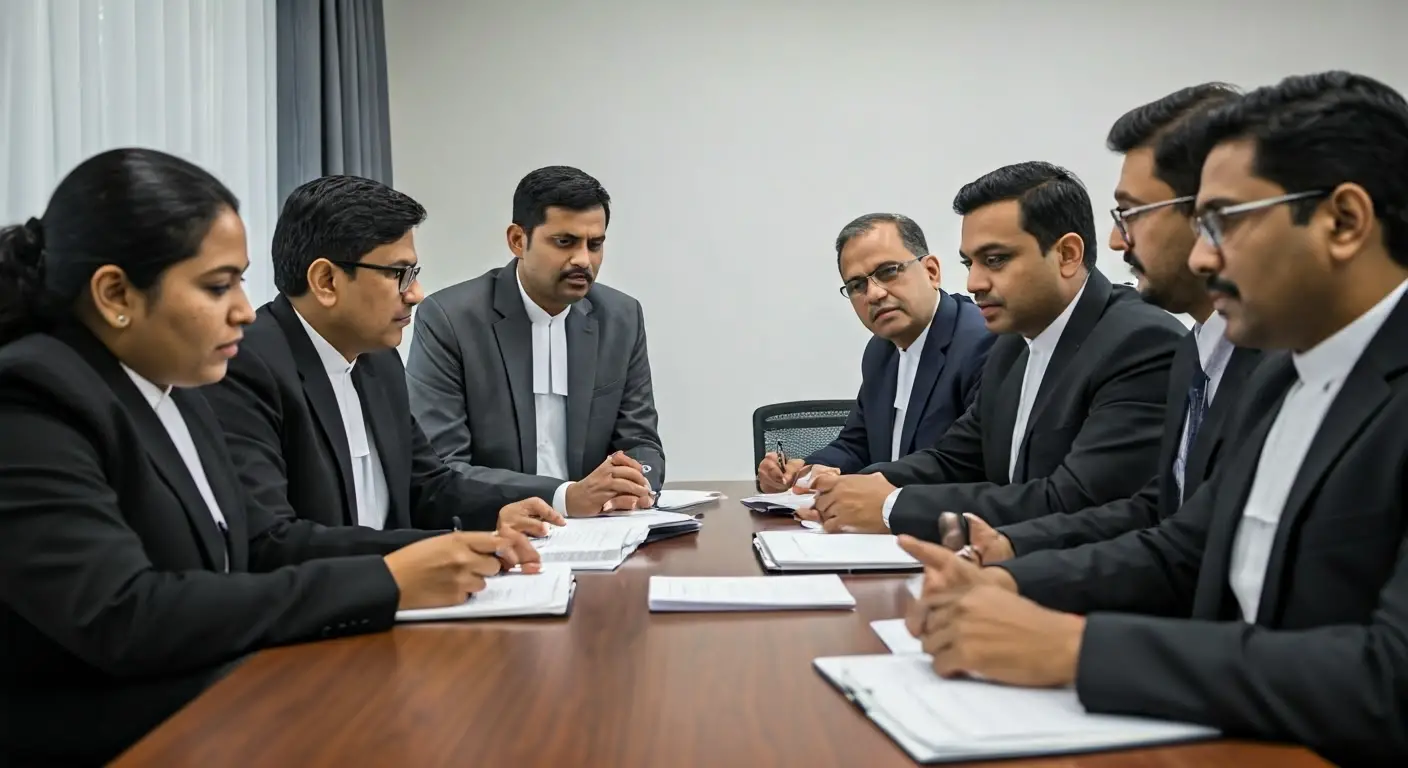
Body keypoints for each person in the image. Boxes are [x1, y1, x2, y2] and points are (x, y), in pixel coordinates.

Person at [899, 71, 1408, 766]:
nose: (1203, 255)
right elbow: (1185, 549)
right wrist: (1007, 582)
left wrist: (1074, 649)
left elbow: (1389, 678)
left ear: (1344, 222)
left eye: (1224, 221)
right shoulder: (1282, 374)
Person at [0, 148, 539, 764]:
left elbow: (255, 549)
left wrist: (439, 554)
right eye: (217, 286)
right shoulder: (31, 397)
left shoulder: (177, 385)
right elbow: (125, 616)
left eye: (240, 280)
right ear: (115, 292)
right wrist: (387, 581)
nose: (241, 308)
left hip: (222, 706)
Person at [960, 84, 1264, 562]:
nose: (1118, 241)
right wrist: (1010, 556)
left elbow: (1083, 500)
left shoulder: (1149, 342)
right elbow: (1167, 519)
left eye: (1132, 214)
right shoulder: (1196, 351)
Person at [805, 162, 1185, 535]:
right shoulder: (1012, 345)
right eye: (969, 263)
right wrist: (858, 486)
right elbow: (954, 458)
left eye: (995, 260)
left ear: (1067, 254)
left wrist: (891, 507)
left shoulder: (1139, 342)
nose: (973, 283)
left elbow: (1073, 500)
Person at [201, 175, 563, 534]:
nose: (416, 294)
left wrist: (519, 508)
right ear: (326, 281)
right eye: (398, 274)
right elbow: (274, 537)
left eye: (413, 273)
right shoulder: (245, 367)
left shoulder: (378, 359)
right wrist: (428, 553)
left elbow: (429, 486)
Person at [405, 166, 662, 518]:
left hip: (602, 527)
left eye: (595, 244)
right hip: (495, 530)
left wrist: (635, 483)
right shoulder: (449, 319)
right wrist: (564, 497)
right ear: (517, 240)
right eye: (564, 242)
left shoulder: (621, 317)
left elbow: (640, 441)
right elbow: (442, 466)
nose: (583, 260)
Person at [755, 213, 993, 492]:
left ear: (931, 272)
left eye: (888, 271)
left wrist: (854, 484)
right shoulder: (880, 350)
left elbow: (961, 464)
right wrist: (807, 470)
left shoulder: (982, 343)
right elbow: (856, 444)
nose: (874, 294)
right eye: (857, 285)